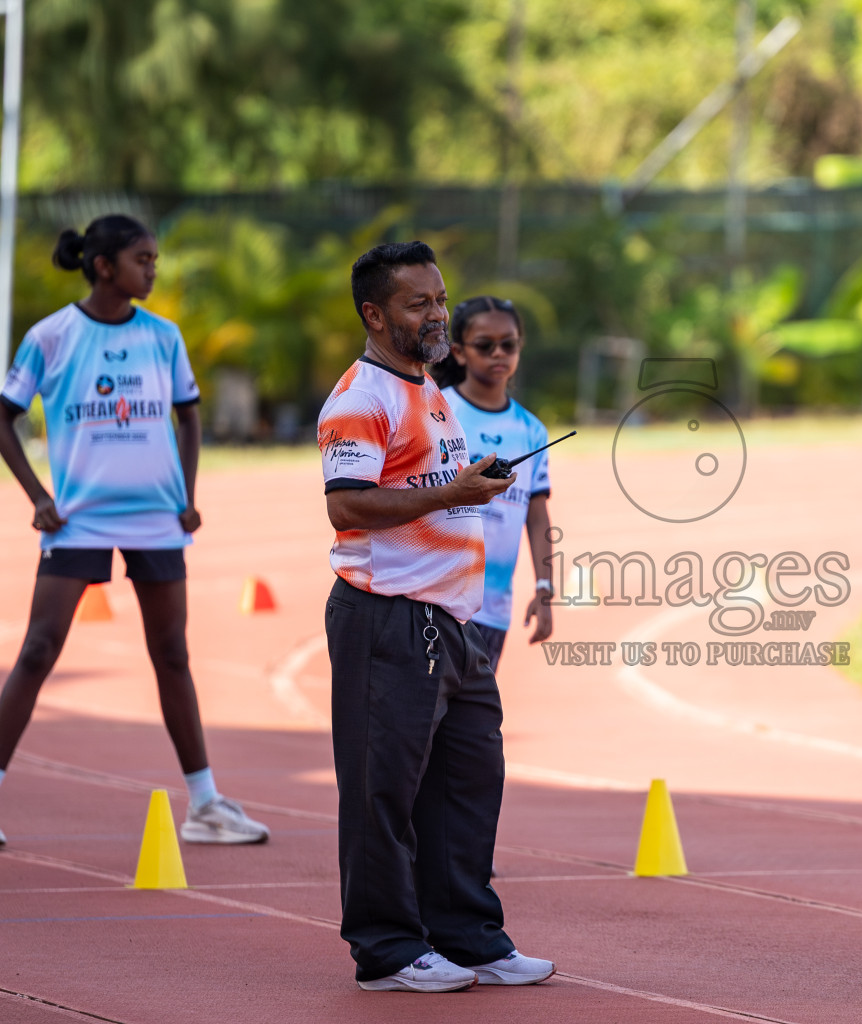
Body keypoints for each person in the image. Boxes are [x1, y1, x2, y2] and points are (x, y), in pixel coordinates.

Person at [0, 215, 269, 853]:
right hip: (80, 518)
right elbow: (0, 419)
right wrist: (40, 497)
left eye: (154, 259)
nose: (153, 270)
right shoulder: (52, 336)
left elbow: (189, 417)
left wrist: (186, 496)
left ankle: (206, 804)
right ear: (104, 266)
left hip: (157, 519)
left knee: (173, 655)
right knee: (39, 648)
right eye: (142, 259)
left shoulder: (164, 337)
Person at [317, 241, 556, 993]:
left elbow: (429, 479)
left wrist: (461, 486)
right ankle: (387, 950)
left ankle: (468, 934)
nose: (437, 314)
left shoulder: (429, 391)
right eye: (420, 303)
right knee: (382, 789)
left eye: (440, 298)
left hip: (456, 623)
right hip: (388, 620)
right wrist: (453, 495)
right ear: (374, 312)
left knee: (468, 781)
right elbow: (347, 503)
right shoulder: (362, 397)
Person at [433, 296, 555, 671]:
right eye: (485, 345)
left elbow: (537, 518)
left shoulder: (532, 431)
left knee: (473, 727)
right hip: (435, 601)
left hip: (493, 611)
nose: (499, 353)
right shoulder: (436, 411)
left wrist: (544, 590)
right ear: (459, 352)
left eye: (510, 343)